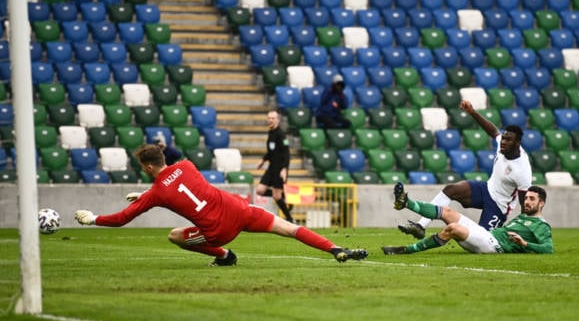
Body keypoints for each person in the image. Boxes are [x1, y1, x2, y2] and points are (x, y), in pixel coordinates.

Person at [74, 144, 368, 266]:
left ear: (148, 167)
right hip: (239, 209)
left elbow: (123, 219)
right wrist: (146, 193)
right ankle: (335, 249)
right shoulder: (187, 165)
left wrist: (94, 219)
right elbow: (179, 183)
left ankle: (225, 256)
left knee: (176, 236)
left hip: (218, 230)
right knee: (289, 228)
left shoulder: (156, 192)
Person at [398, 99, 532, 239]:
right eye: (503, 138)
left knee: (482, 241)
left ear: (517, 143)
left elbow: (525, 203)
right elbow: (493, 131)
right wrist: (472, 112)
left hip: (499, 206)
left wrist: (524, 228)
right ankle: (421, 226)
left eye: (508, 140)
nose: (503, 142)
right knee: (451, 190)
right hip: (486, 190)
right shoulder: (502, 145)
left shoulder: (522, 170)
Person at [382, 182, 553, 255]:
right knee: (448, 212)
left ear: (541, 204)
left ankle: (406, 249)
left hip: (494, 247)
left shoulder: (542, 225)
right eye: (527, 198)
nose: (527, 201)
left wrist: (524, 244)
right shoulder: (522, 218)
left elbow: (548, 249)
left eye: (532, 199)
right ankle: (406, 202)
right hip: (488, 235)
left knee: (453, 228)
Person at [256, 110, 294, 222]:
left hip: (279, 168)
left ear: (277, 120)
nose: (270, 120)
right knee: (260, 190)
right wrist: (263, 160)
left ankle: (290, 219)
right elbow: (271, 151)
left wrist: (284, 169)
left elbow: (286, 153)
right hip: (271, 168)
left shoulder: (281, 135)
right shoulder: (270, 133)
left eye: (273, 118)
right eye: (269, 118)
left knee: (277, 197)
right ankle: (284, 198)